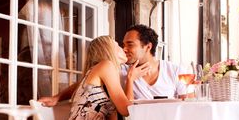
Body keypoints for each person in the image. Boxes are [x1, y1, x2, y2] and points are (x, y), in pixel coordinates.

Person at [38, 24, 185, 106]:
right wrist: (57, 97)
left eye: (130, 44)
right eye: (122, 45)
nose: (124, 49)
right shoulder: (120, 70)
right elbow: (85, 83)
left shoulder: (174, 70)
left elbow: (189, 101)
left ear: (147, 47)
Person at [65, 35, 144, 120]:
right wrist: (130, 79)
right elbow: (126, 110)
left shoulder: (102, 75)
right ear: (107, 49)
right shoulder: (106, 66)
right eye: (118, 45)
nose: (123, 48)